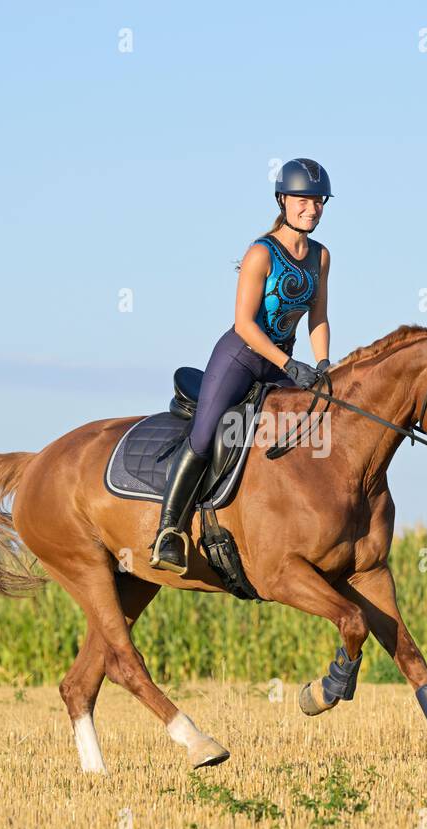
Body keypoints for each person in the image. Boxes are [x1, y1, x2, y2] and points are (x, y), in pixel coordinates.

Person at [148, 157, 334, 574]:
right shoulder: (260, 253)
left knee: (316, 426)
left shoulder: (320, 257)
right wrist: (290, 363)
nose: (312, 208)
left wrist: (322, 363)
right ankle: (169, 532)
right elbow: (245, 325)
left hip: (281, 364)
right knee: (205, 434)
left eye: (319, 201)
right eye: (303, 200)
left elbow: (318, 318)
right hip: (241, 357)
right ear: (283, 200)